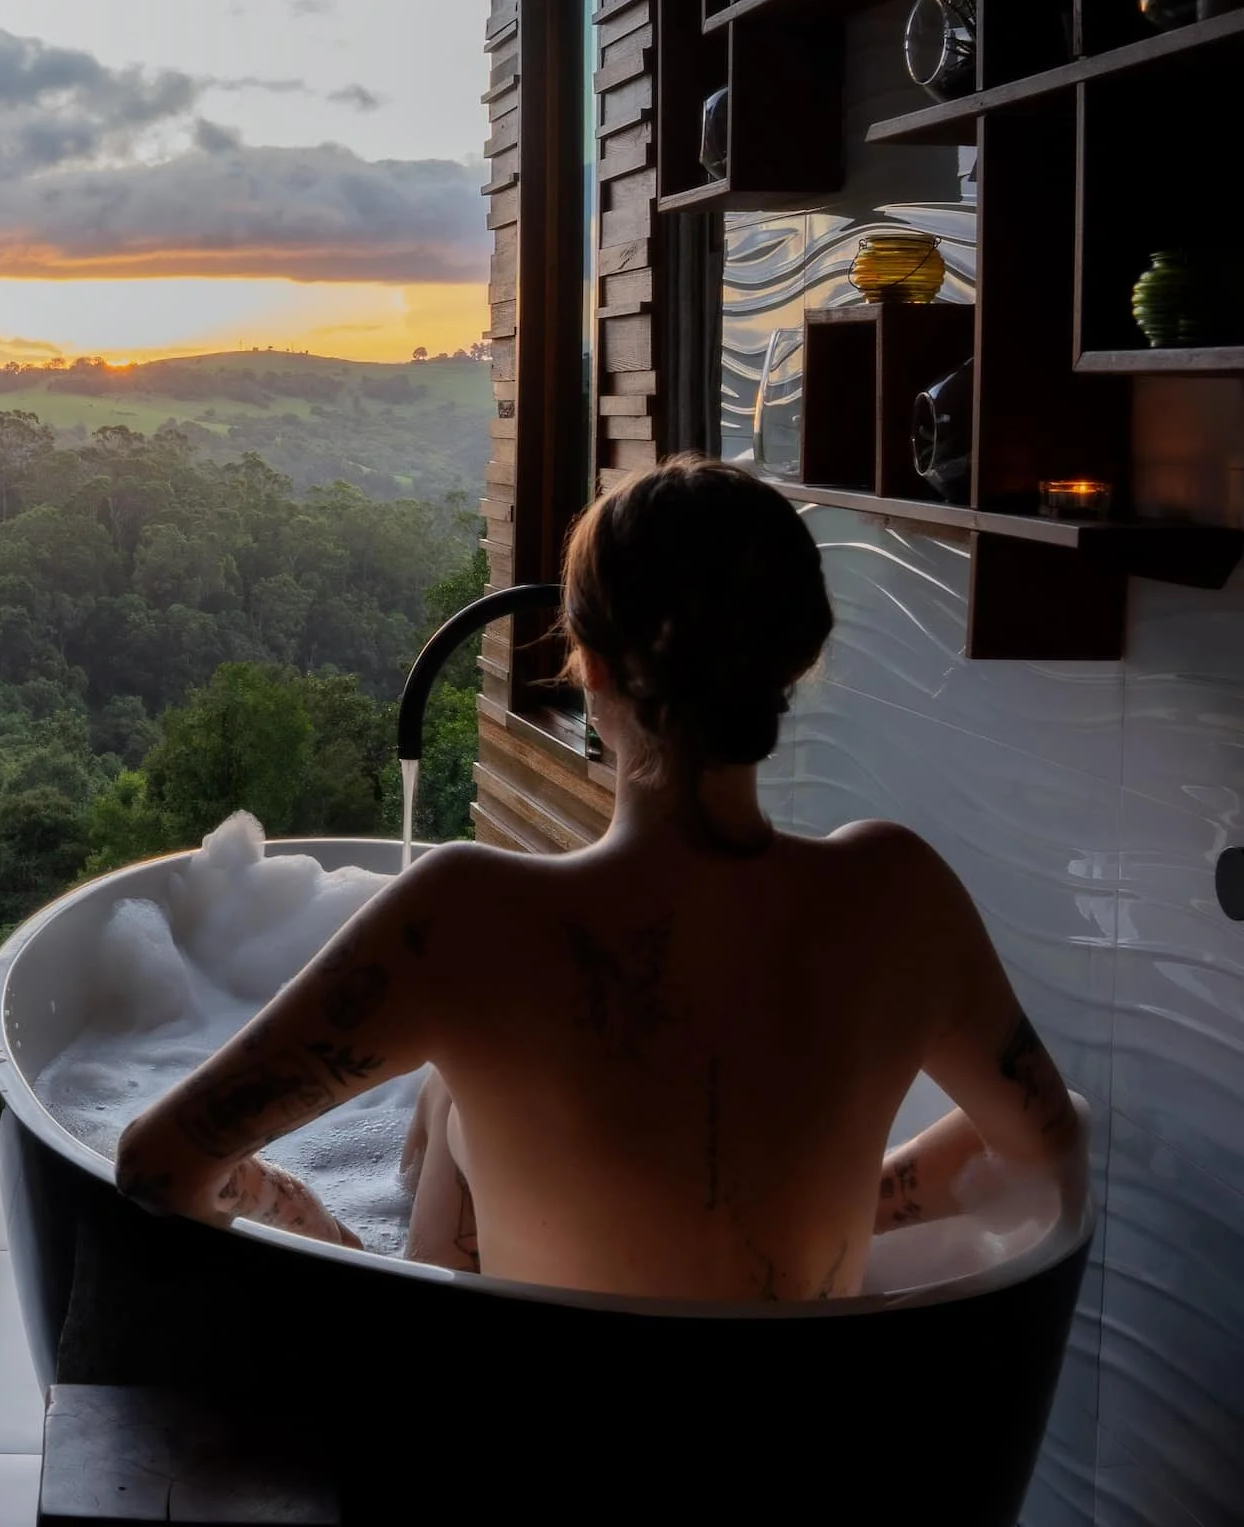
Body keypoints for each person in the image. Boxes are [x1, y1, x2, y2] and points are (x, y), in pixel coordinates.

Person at [114, 454, 1086, 1302]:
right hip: (805, 1437)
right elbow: (1050, 1140)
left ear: (589, 665)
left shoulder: (466, 922)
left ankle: (397, 1258)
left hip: (535, 1435)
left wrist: (291, 1209)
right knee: (456, 1088)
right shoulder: (899, 900)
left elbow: (160, 1163)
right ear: (798, 661)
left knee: (455, 1092)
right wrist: (825, 1205)